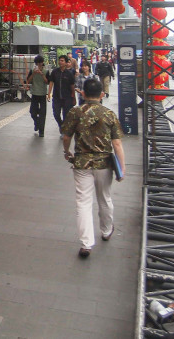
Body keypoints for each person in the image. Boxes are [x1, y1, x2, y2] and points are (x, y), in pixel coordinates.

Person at [61, 78, 126, 258]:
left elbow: (66, 137)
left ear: (82, 94)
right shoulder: (109, 114)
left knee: (83, 202)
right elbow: (117, 143)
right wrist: (122, 167)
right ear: (102, 95)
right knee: (104, 198)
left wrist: (66, 152)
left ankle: (86, 243)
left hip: (81, 163)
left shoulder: (75, 112)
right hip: (104, 164)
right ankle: (106, 231)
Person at [48, 55, 77, 131]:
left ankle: (64, 129)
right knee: (56, 114)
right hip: (57, 97)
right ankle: (61, 126)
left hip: (67, 98)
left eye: (62, 61)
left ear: (66, 63)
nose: (60, 62)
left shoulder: (69, 73)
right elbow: (51, 82)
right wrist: (49, 93)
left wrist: (73, 97)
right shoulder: (55, 72)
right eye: (59, 60)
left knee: (66, 115)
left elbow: (72, 86)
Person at [26, 55, 49, 136]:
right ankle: (37, 122)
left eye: (40, 63)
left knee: (43, 113)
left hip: (42, 94)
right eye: (37, 64)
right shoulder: (32, 70)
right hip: (34, 93)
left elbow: (47, 82)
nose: (38, 65)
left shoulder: (46, 71)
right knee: (32, 111)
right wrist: (33, 74)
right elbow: (28, 81)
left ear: (42, 63)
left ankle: (41, 131)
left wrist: (42, 74)